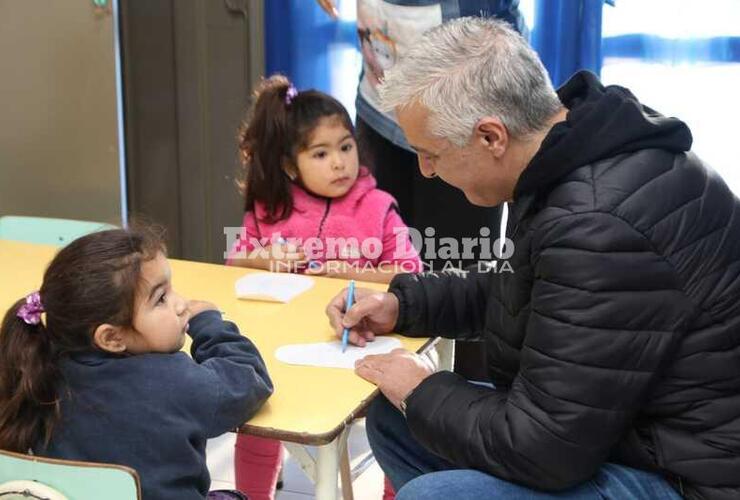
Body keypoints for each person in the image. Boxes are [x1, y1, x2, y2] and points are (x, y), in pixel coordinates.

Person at [326, 16, 740, 500]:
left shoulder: (596, 222)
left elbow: (546, 449)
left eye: (431, 153)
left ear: (490, 137)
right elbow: (534, 289)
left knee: (433, 490)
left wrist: (424, 390)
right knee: (396, 420)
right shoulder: (577, 151)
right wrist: (405, 304)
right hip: (630, 430)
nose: (426, 170)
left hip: (688, 474)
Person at [226, 74, 422, 500]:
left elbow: (410, 271)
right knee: (258, 410)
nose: (339, 162)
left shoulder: (376, 206)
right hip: (284, 348)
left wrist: (350, 275)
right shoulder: (270, 208)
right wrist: (267, 257)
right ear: (290, 165)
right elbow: (234, 261)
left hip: (361, 347)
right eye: (321, 153)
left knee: (401, 416)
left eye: (346, 147)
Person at [0, 228, 273, 500]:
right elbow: (249, 380)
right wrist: (208, 324)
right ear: (112, 337)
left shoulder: (35, 369)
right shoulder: (172, 381)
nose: (181, 304)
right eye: (161, 298)